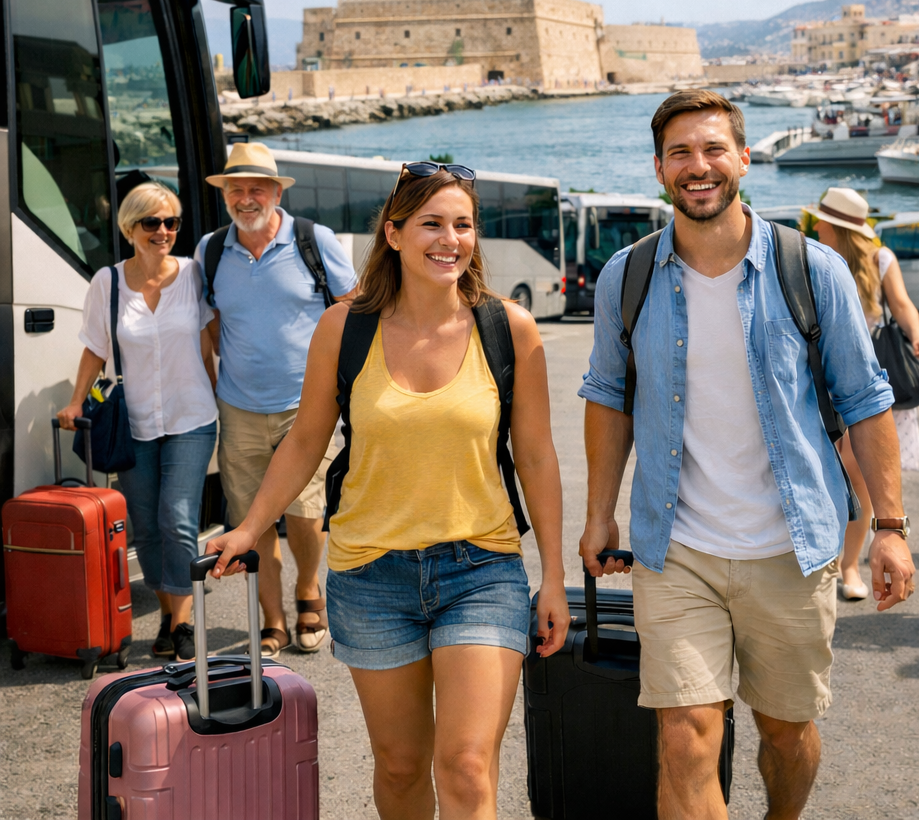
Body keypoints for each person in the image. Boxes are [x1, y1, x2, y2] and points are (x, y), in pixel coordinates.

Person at [578, 90, 916, 820]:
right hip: (677, 549)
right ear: (660, 168)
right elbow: (607, 396)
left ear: (743, 158)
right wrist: (598, 513)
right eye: (679, 154)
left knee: (786, 734)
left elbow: (865, 400)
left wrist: (890, 527)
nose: (697, 168)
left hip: (791, 547)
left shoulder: (812, 269)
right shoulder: (626, 277)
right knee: (687, 738)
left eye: (712, 150)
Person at [207, 162, 570, 819]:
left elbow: (538, 457)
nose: (450, 239)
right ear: (395, 234)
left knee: (465, 768)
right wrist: (249, 525)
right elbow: (304, 442)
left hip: (481, 570)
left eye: (463, 225)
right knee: (401, 770)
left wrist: (552, 576)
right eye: (432, 223)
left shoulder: (507, 327)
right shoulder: (345, 328)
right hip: (370, 576)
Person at [196, 142, 358, 656]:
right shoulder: (212, 249)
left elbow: (354, 308)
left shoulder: (315, 240)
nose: (247, 199)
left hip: (306, 405)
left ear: (275, 192)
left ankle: (309, 591)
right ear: (225, 195)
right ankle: (272, 619)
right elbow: (213, 322)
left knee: (308, 513)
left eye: (256, 189)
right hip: (239, 408)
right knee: (251, 520)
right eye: (236, 190)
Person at [59, 183, 218, 662]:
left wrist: (229, 393)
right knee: (145, 526)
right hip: (135, 423)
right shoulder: (107, 283)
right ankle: (170, 611)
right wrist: (75, 402)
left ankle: (185, 621)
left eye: (171, 222)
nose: (164, 231)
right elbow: (95, 346)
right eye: (152, 223)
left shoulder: (193, 275)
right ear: (131, 228)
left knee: (178, 517)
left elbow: (214, 337)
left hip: (193, 415)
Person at [807, 188, 919, 601]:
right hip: (818, 374)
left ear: (839, 227)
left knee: (857, 470)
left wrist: (917, 337)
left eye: (822, 221)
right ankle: (821, 556)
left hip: (865, 375)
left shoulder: (880, 259)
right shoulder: (808, 256)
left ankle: (848, 564)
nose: (815, 225)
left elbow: (902, 304)